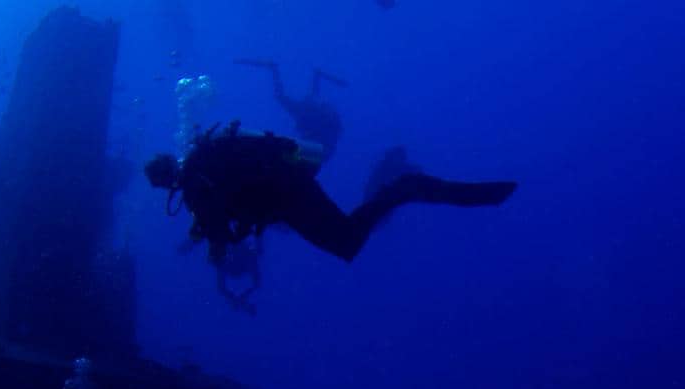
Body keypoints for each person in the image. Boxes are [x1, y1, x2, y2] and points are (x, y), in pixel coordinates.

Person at [144, 121, 517, 266]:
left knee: (347, 242)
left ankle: (404, 188)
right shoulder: (202, 167)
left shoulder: (195, 185)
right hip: (288, 189)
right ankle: (403, 190)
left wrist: (211, 246)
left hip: (288, 197)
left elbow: (219, 237)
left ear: (163, 181)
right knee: (346, 242)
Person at [235, 59, 345, 162]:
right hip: (308, 116)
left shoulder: (322, 124)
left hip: (308, 116)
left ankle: (273, 68)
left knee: (289, 96)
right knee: (286, 97)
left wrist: (320, 75)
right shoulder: (325, 129)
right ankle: (273, 68)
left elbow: (314, 92)